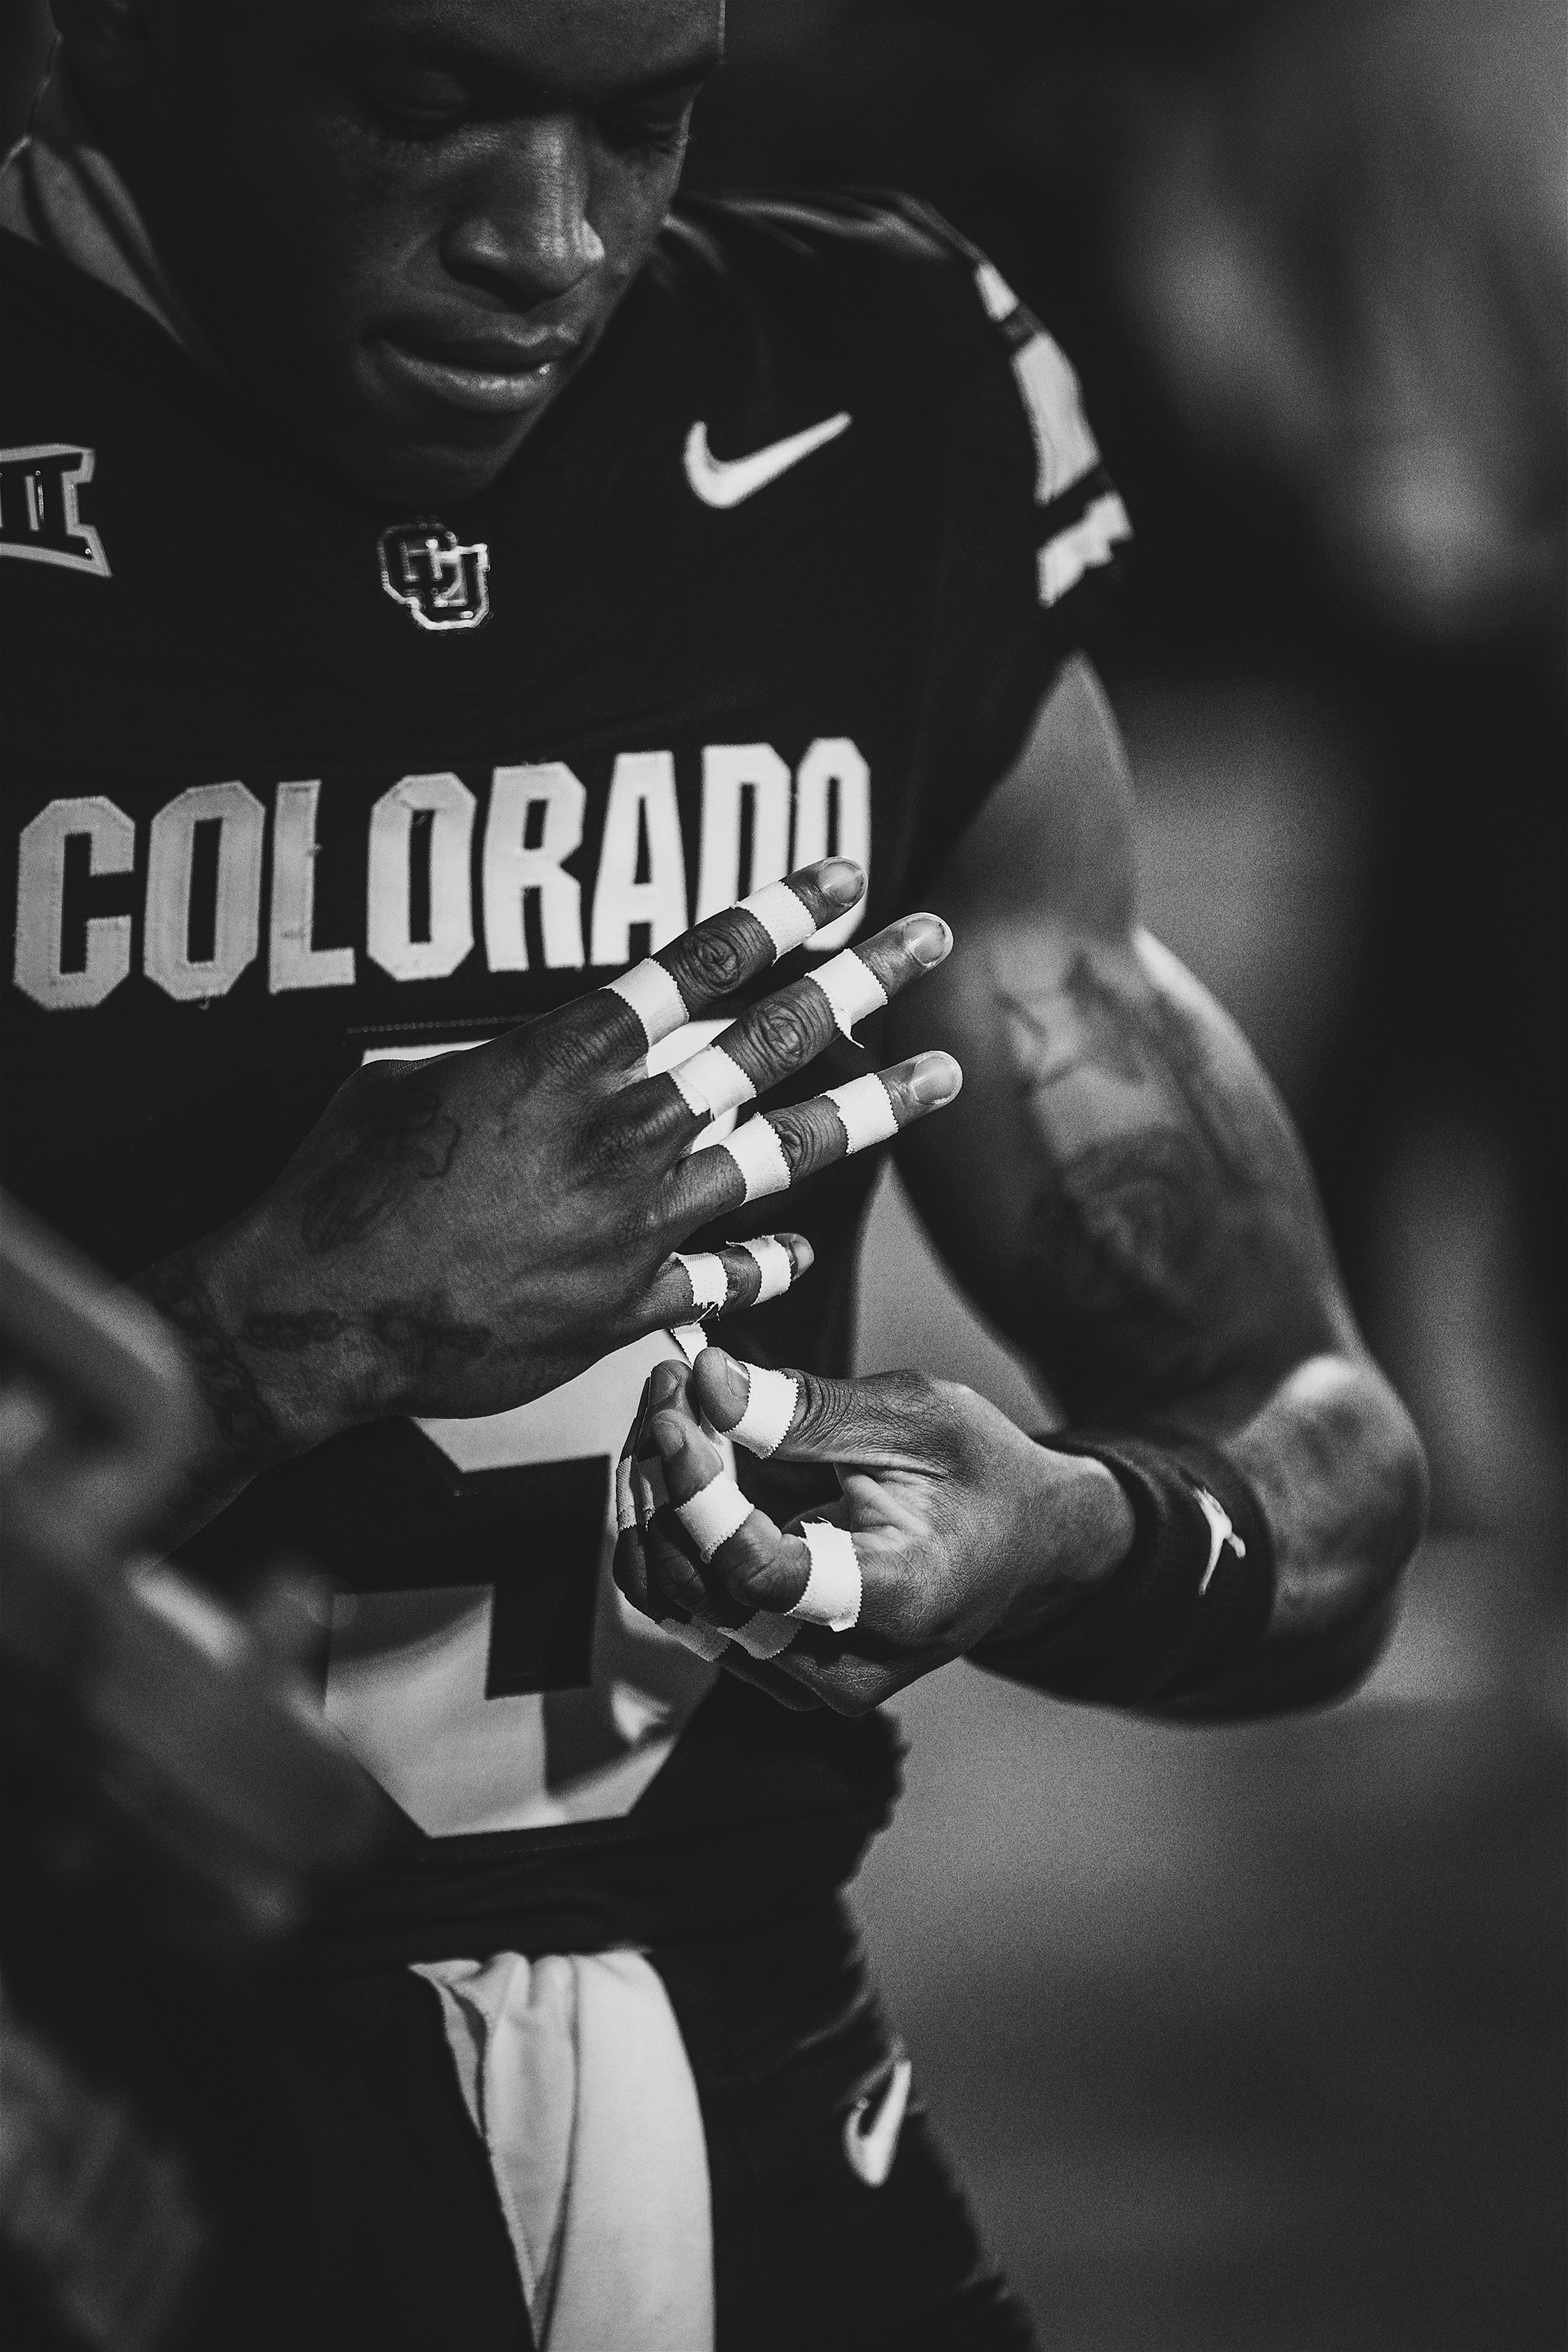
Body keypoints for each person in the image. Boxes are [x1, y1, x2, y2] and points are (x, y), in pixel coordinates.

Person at [0, 3, 1428, 2345]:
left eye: (644, 121)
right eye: (424, 110)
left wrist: (1074, 1533)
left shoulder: (873, 411)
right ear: (115, 39)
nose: (548, 240)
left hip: (728, 2040)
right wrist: (277, 1333)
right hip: (74, 2080)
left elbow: (1325, 1459)